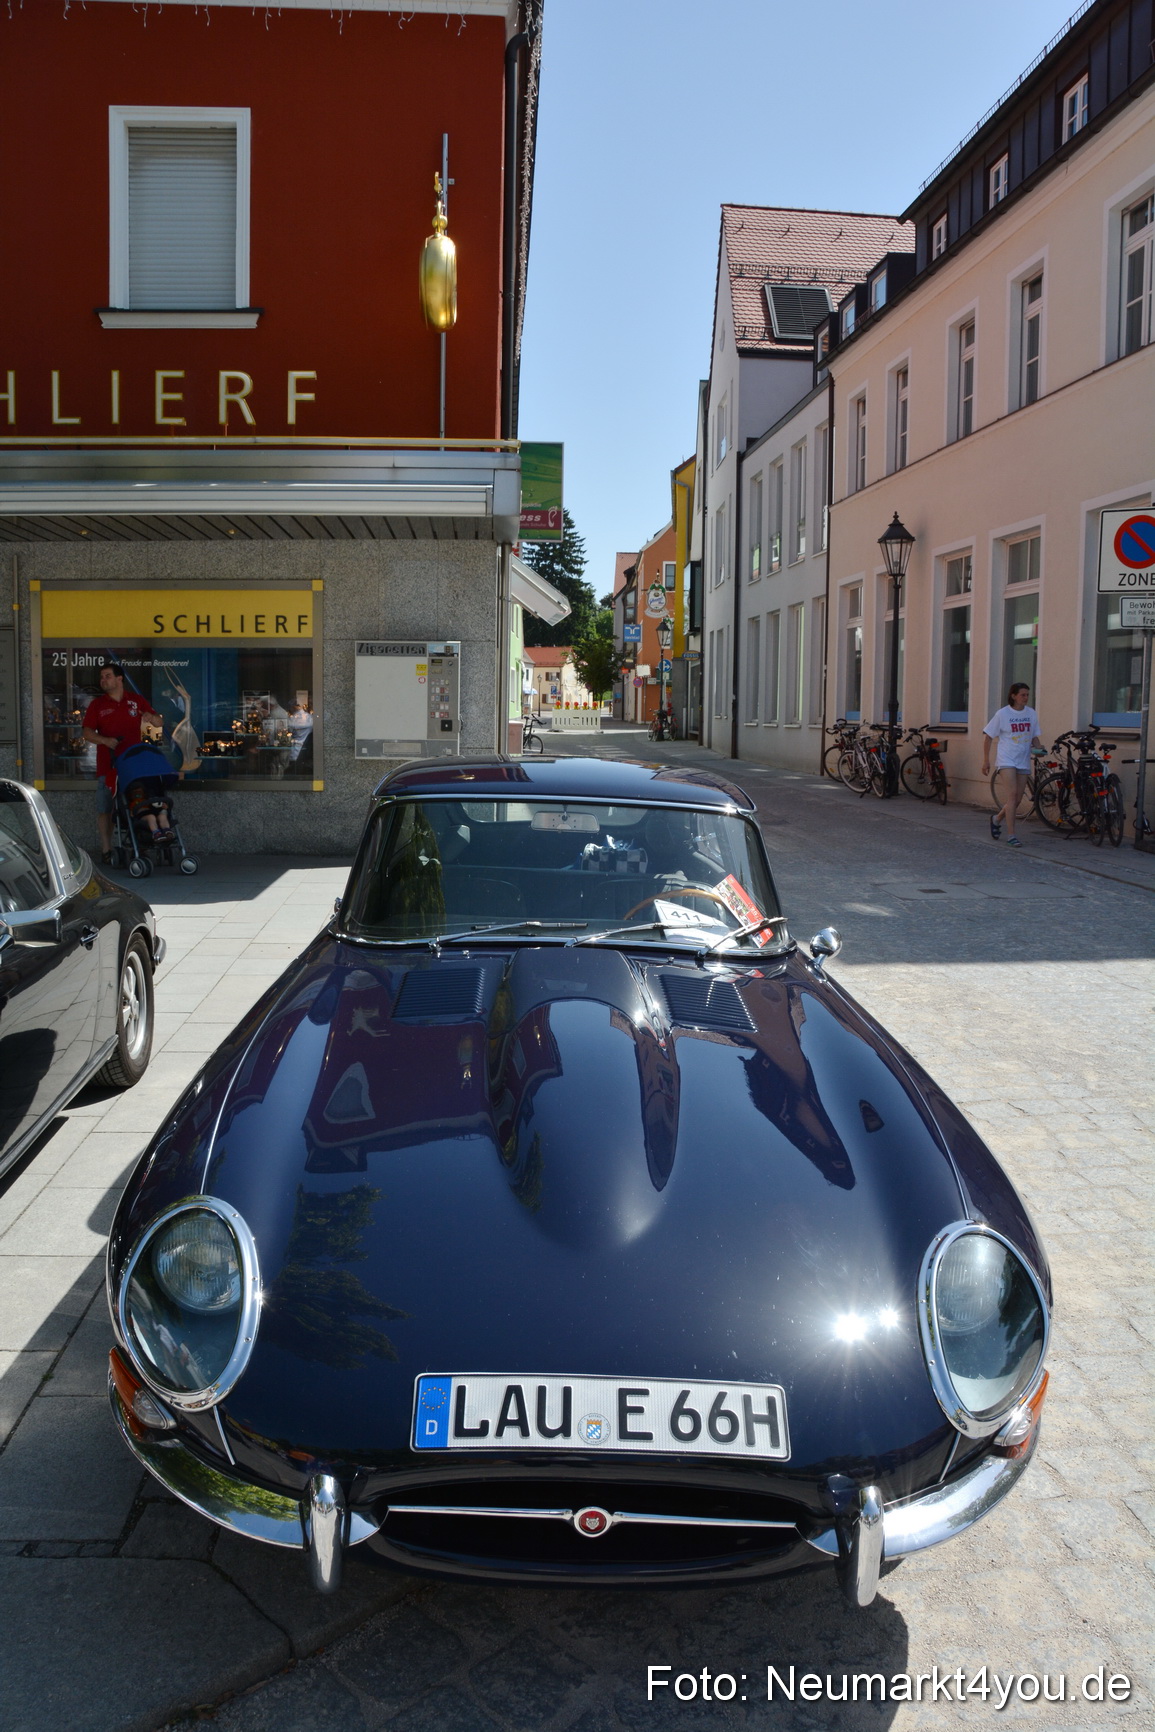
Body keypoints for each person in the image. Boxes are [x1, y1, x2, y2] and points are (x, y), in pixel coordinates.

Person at [81, 662, 162, 862]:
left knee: (136, 802)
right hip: (107, 765)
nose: (103, 680)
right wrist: (105, 741)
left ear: (119, 679)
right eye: (101, 677)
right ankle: (107, 849)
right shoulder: (97, 705)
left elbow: (159, 722)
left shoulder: (135, 700)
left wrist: (152, 716)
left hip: (134, 765)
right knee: (105, 808)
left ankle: (139, 842)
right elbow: (87, 732)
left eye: (107, 676)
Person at [982, 682, 1044, 848]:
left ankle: (997, 819)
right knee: (1013, 794)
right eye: (1022, 695)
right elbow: (988, 736)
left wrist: (1039, 748)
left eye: (1027, 695)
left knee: (1016, 800)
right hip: (1006, 760)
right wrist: (986, 760)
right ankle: (1012, 835)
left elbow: (1034, 736)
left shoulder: (1031, 714)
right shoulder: (1003, 714)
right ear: (1013, 696)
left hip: (1022, 759)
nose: (1025, 698)